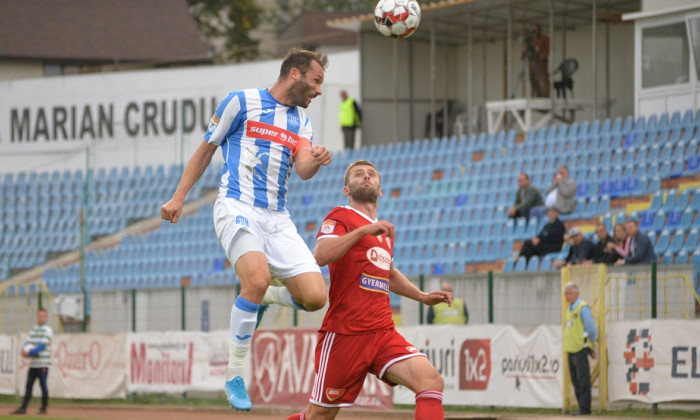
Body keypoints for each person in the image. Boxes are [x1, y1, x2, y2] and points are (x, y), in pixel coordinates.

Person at [161, 48, 333, 411]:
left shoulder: (301, 121)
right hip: (236, 206)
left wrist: (315, 160)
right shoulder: (240, 102)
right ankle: (235, 374)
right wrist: (178, 198)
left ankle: (266, 297)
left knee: (317, 297)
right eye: (316, 81)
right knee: (254, 280)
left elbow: (302, 169)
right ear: (295, 75)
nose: (319, 91)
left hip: (277, 217)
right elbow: (206, 149)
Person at [287, 160, 451, 420]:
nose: (366, 177)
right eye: (358, 174)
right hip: (345, 334)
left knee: (431, 381)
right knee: (320, 416)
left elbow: (389, 273)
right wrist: (365, 229)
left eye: (371, 174)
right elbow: (320, 255)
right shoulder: (340, 216)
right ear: (347, 190)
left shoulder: (384, 232)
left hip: (382, 332)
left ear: (380, 189)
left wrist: (422, 296)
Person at [563, 282, 597, 416]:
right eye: (566, 294)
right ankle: (581, 407)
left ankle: (585, 409)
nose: (567, 296)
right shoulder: (569, 309)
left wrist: (590, 345)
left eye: (570, 293)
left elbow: (591, 329)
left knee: (583, 380)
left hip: (580, 349)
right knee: (575, 380)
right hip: (570, 349)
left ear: (577, 294)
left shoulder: (582, 308)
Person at [12, 308, 52, 415]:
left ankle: (43, 408)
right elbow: (28, 343)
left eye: (43, 316)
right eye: (39, 315)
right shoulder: (34, 329)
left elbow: (42, 346)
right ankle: (23, 407)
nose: (41, 318)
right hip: (33, 364)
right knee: (28, 385)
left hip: (43, 363)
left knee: (43, 385)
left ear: (46, 317)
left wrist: (29, 353)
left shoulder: (48, 330)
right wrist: (23, 350)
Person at [521, 23, 550, 97]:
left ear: (539, 30)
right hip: (532, 63)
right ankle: (536, 97)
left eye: (536, 29)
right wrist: (523, 52)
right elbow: (523, 52)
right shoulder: (530, 40)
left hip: (541, 64)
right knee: (533, 81)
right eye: (533, 30)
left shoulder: (544, 38)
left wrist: (542, 55)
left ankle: (546, 98)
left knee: (543, 81)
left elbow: (548, 51)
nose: (534, 31)